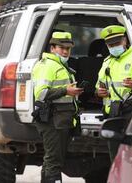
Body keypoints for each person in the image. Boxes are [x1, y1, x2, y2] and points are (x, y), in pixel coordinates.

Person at [96, 25, 132, 161]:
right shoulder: (107, 62)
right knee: (115, 158)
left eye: (117, 43)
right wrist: (99, 92)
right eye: (110, 44)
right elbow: (98, 87)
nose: (114, 46)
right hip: (112, 114)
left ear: (125, 41)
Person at [31, 31, 83, 183]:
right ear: (52, 48)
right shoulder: (47, 66)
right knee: (54, 162)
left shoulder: (61, 66)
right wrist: (66, 90)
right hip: (52, 121)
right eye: (61, 48)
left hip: (59, 121)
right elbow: (40, 94)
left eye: (68, 48)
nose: (65, 51)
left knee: (51, 161)